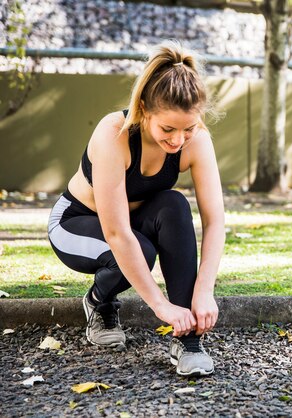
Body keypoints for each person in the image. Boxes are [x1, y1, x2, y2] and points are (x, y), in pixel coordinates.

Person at [47, 40, 225, 377]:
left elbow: (215, 222)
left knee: (173, 204)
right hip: (75, 223)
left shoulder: (197, 139)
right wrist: (160, 306)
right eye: (168, 129)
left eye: (188, 128)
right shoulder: (113, 133)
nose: (178, 140)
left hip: (129, 226)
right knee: (137, 252)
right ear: (144, 109)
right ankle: (100, 301)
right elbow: (116, 233)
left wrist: (204, 292)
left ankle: (188, 340)